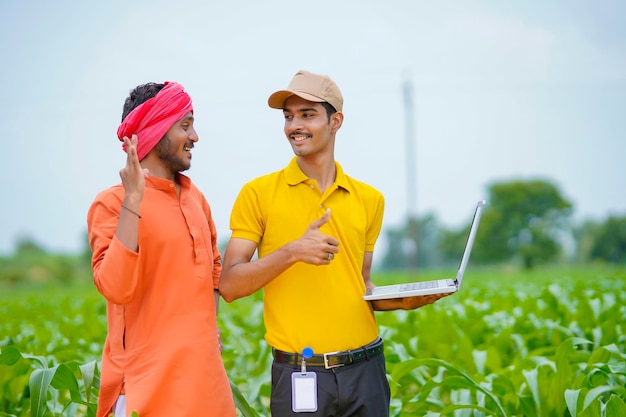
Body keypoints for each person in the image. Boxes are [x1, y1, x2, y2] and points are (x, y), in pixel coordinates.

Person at [219, 70, 449, 416]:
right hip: (300, 375)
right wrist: (293, 251)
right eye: (288, 116)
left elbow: (361, 284)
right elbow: (230, 284)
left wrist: (399, 301)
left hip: (366, 369)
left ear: (335, 121)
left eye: (307, 115)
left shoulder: (370, 199)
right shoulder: (258, 194)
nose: (294, 125)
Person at [87, 81, 237, 417]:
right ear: (153, 132)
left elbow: (214, 268)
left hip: (207, 388)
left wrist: (206, 329)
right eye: (185, 125)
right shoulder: (111, 204)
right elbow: (115, 287)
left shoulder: (195, 197)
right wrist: (134, 199)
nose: (195, 136)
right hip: (145, 391)